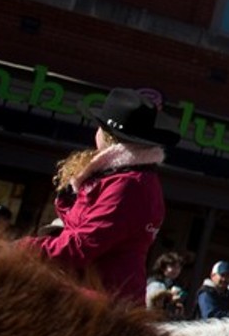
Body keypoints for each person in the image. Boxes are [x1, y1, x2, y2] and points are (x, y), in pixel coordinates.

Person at [22, 87, 178, 304]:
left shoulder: (129, 185)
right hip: (93, 296)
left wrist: (17, 248)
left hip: (99, 305)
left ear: (106, 135)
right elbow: (89, 233)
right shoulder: (127, 178)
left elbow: (81, 246)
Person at [145, 251, 189, 319]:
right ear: (163, 268)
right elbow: (152, 303)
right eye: (173, 267)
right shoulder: (155, 283)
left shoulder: (174, 284)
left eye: (178, 267)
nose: (176, 270)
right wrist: (169, 295)